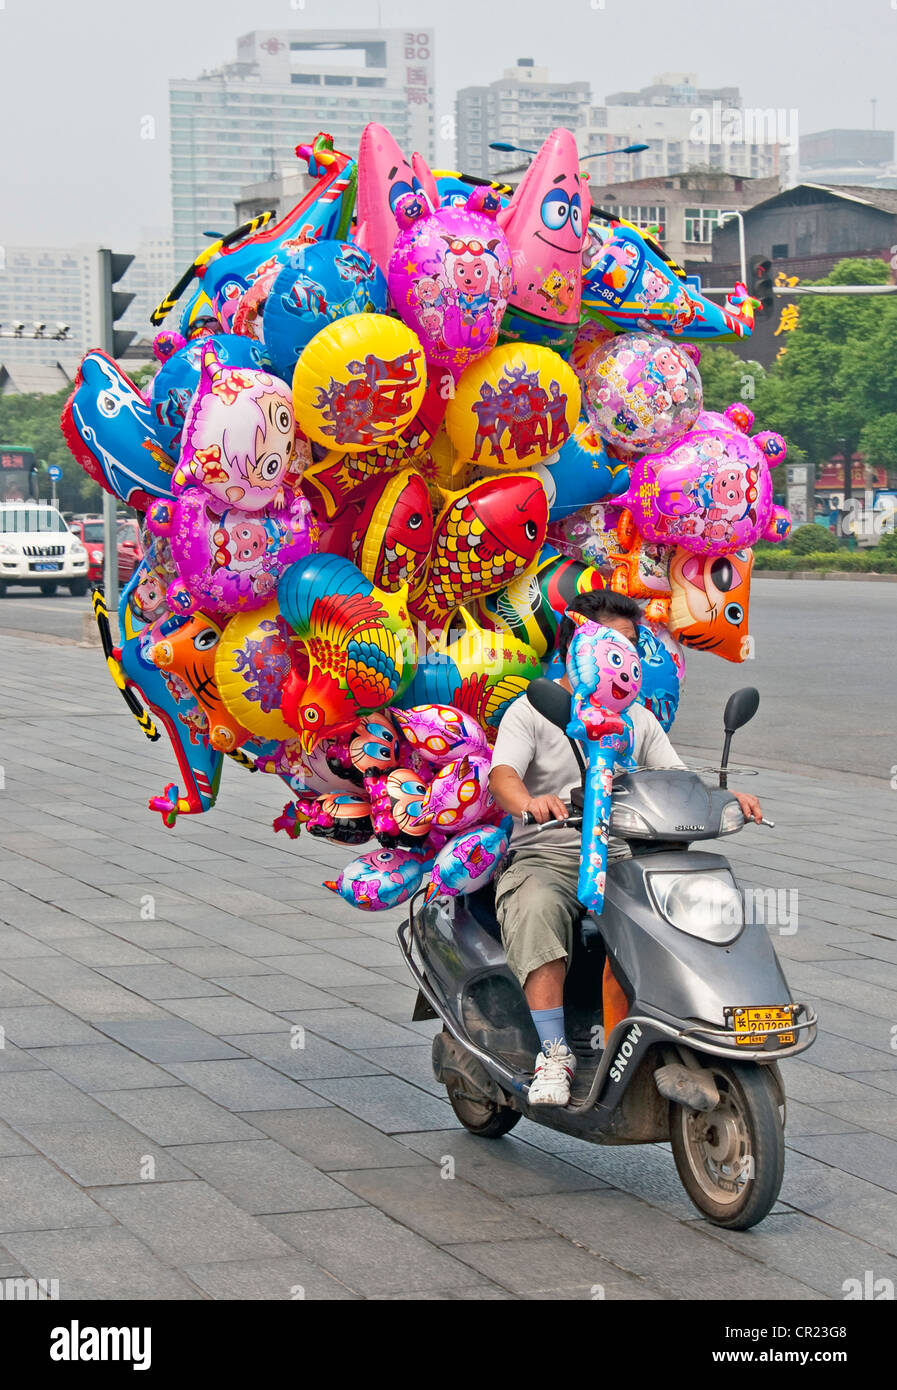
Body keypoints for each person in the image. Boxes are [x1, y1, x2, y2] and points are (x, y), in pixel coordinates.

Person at [488, 590, 763, 1107]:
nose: (628, 654)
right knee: (536, 907)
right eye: (615, 642)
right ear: (580, 643)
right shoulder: (533, 709)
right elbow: (502, 776)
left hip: (622, 856)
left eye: (633, 644)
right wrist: (529, 801)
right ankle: (553, 1053)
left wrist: (725, 798)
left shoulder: (635, 717)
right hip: (550, 854)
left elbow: (675, 778)